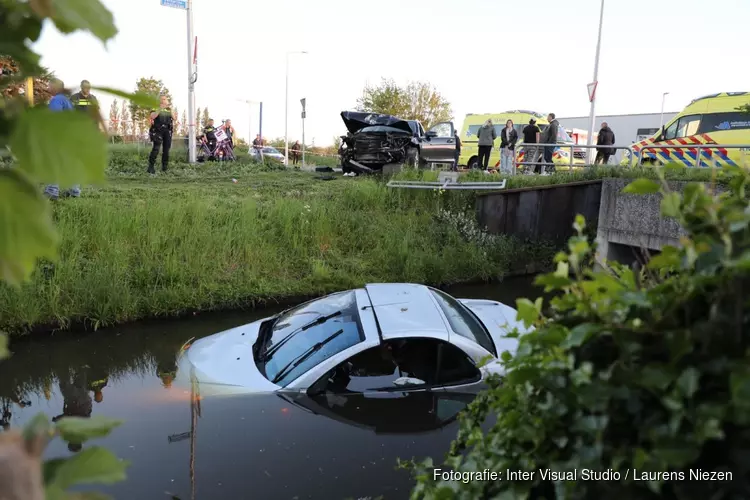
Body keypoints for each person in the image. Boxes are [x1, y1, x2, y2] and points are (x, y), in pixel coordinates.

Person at [44, 79, 80, 200]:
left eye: (49, 86)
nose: (48, 88)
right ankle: (74, 191)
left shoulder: (57, 100)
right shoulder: (67, 101)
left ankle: (51, 191)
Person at [147, 94, 173, 174]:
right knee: (156, 149)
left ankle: (164, 168)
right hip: (158, 131)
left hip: (167, 131)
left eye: (165, 99)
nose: (163, 100)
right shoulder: (155, 108)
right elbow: (153, 116)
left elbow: (174, 117)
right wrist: (160, 108)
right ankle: (150, 167)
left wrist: (170, 109)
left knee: (166, 150)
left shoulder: (169, 110)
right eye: (161, 99)